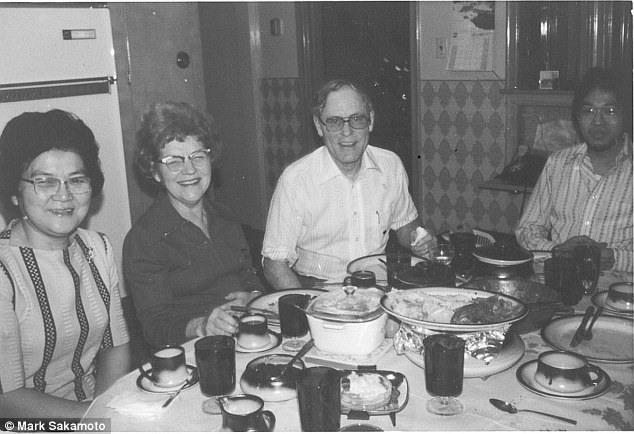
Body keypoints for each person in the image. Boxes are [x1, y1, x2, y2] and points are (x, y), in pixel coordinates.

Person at [0, 110, 131, 418]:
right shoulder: (4, 270)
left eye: (76, 180)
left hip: (93, 411)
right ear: (15, 193)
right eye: (44, 182)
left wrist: (102, 410)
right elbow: (7, 397)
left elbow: (115, 346)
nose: (64, 195)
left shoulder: (98, 247)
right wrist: (93, 420)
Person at [262, 78, 435, 289]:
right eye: (334, 121)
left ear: (370, 120)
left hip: (378, 288)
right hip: (319, 291)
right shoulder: (295, 180)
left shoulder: (390, 165)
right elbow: (274, 264)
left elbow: (406, 224)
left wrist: (419, 240)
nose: (347, 132)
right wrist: (306, 306)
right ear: (319, 125)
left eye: (357, 119)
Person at [123, 102, 264, 350]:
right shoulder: (145, 239)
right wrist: (202, 326)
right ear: (155, 172)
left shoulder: (224, 216)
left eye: (198, 157)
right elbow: (155, 327)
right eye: (173, 161)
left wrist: (253, 298)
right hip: (194, 352)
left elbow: (247, 275)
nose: (190, 170)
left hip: (246, 337)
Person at [516, 67, 633, 273]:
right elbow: (527, 229)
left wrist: (614, 258)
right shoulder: (558, 164)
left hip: (620, 295)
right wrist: (558, 250)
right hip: (560, 284)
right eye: (588, 110)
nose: (597, 121)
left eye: (610, 111)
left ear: (627, 114)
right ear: (577, 116)